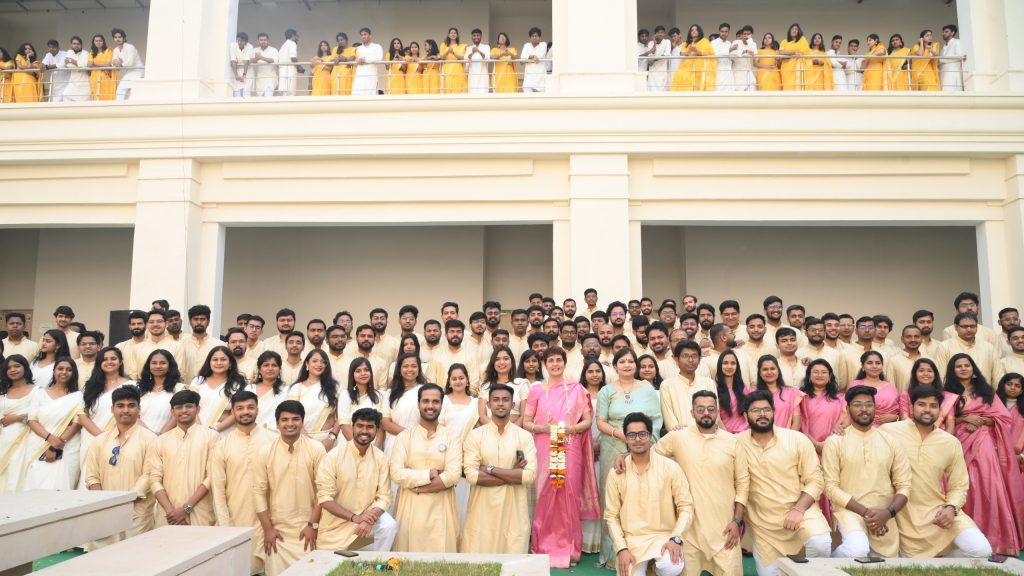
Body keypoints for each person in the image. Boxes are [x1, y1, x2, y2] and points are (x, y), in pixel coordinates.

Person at [617, 390, 743, 575]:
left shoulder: (733, 441)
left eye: (710, 409)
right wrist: (625, 455)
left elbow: (743, 483)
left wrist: (737, 521)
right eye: (700, 409)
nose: (706, 413)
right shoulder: (678, 437)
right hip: (688, 528)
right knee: (677, 567)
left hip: (724, 527)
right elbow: (648, 452)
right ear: (692, 413)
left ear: (717, 412)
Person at [881, 386, 993, 558]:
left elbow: (959, 485)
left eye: (933, 405)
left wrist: (951, 507)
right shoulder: (888, 431)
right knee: (911, 562)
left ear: (940, 410)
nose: (927, 409)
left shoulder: (950, 442)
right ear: (911, 408)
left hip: (938, 511)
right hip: (900, 513)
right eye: (922, 404)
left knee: (981, 550)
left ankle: (945, 559)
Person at [734, 390, 832, 576]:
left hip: (800, 512)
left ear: (773, 412)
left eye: (766, 409)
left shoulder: (796, 439)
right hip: (765, 526)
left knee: (821, 543)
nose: (762, 414)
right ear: (746, 415)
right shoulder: (736, 443)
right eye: (756, 410)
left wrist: (798, 509)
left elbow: (816, 480)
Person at [523, 347, 600, 568]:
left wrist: (571, 430)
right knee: (546, 494)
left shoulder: (576, 389)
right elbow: (526, 422)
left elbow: (586, 421)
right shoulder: (536, 390)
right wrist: (543, 428)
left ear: (564, 363)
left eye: (559, 360)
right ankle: (542, 547)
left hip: (569, 444)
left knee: (569, 494)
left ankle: (570, 550)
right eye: (551, 361)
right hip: (545, 444)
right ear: (544, 364)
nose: (555, 364)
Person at [945, 353, 1024, 554]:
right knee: (963, 484)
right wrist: (965, 419)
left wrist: (983, 421)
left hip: (986, 442)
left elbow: (1003, 418)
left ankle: (995, 538)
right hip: (959, 442)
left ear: (973, 369)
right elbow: (944, 417)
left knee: (989, 484)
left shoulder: (986, 391)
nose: (963, 368)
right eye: (958, 366)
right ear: (952, 371)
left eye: (967, 365)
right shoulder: (947, 391)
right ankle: (964, 539)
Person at [823, 385, 911, 559]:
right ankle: (828, 566)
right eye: (857, 405)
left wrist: (887, 514)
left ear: (875, 407)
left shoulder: (891, 441)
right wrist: (866, 513)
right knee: (857, 550)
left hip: (884, 514)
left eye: (869, 404)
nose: (864, 409)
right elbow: (830, 487)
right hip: (849, 512)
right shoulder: (835, 442)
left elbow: (905, 485)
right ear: (847, 409)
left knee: (883, 566)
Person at [605, 412, 691, 576]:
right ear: (626, 437)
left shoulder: (670, 467)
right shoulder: (616, 473)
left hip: (663, 537)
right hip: (631, 541)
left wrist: (676, 538)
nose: (637, 439)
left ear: (650, 435)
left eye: (642, 434)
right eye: (632, 434)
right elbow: (611, 515)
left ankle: (654, 569)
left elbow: (686, 505)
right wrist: (621, 549)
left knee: (672, 566)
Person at [461, 383, 537, 553]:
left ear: (513, 405)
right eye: (495, 400)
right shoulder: (476, 435)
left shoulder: (523, 436)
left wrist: (489, 469)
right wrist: (513, 474)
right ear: (488, 404)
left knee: (513, 563)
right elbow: (472, 476)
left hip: (513, 512)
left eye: (505, 400)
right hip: (482, 511)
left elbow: (529, 476)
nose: (500, 403)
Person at [253, 400, 326, 576]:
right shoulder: (265, 452)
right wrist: (268, 529)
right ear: (277, 423)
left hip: (307, 530)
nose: (290, 424)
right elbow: (258, 492)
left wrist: (313, 525)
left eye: (295, 419)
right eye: (285, 420)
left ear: (302, 422)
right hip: (278, 532)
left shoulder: (316, 449)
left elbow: (323, 491)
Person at [209, 390, 276, 573]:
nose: (245, 412)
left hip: (270, 522)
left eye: (250, 407)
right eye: (240, 408)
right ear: (233, 413)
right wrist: (225, 526)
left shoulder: (273, 440)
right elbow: (218, 489)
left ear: (257, 410)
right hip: (235, 519)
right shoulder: (222, 445)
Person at [390, 383, 462, 552]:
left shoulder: (451, 437)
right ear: (418, 404)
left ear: (441, 405)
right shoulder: (404, 437)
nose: (430, 406)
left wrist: (415, 483)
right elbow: (396, 473)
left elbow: (453, 475)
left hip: (442, 510)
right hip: (410, 511)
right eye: (426, 401)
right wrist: (430, 474)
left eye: (435, 402)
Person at [83, 385, 157, 546]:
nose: (126, 410)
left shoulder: (150, 439)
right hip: (105, 510)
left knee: (136, 558)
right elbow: (92, 476)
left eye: (131, 405)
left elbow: (149, 474)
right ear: (112, 409)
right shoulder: (100, 441)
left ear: (139, 409)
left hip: (137, 510)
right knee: (103, 559)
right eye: (120, 406)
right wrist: (103, 502)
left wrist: (126, 501)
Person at [316, 407, 397, 552]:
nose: (364, 431)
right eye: (360, 426)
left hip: (367, 519)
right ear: (352, 427)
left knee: (388, 525)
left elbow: (385, 496)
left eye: (370, 427)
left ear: (377, 430)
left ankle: (378, 566)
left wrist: (368, 518)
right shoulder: (333, 456)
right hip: (336, 526)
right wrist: (355, 518)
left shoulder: (380, 458)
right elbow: (324, 498)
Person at [148, 389, 220, 527]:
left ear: (198, 409)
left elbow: (212, 477)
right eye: (179, 407)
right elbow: (154, 479)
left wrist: (186, 508)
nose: (184, 410)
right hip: (168, 516)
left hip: (201, 513)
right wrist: (172, 512)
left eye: (189, 406)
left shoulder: (211, 437)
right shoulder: (160, 441)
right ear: (172, 412)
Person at [22, 358, 81, 490]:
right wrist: (50, 439)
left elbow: (77, 424)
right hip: (39, 445)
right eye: (60, 368)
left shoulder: (78, 396)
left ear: (74, 373)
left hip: (66, 447)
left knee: (62, 488)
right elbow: (32, 420)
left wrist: (57, 446)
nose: (64, 372)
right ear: (54, 371)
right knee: (35, 486)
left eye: (69, 369)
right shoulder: (40, 393)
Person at [287, 349, 340, 451]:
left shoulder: (335, 387)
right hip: (301, 438)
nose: (319, 364)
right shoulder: (296, 388)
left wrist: (331, 438)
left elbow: (340, 417)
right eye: (315, 361)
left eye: (323, 362)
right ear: (307, 363)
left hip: (328, 441)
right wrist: (307, 439)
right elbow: (291, 415)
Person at [190, 345, 249, 433]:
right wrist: (200, 430)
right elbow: (189, 406)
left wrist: (214, 430)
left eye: (223, 359)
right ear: (209, 363)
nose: (219, 363)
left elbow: (237, 413)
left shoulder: (237, 385)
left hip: (222, 433)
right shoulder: (198, 381)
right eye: (215, 359)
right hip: (195, 431)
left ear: (230, 363)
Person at [0, 355, 36, 493]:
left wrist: (17, 418)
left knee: (17, 472)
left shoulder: (37, 391)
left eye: (17, 366)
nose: (12, 370)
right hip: (3, 439)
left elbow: (42, 415)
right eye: (9, 368)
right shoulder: (3, 392)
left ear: (25, 368)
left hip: (25, 439)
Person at [660, 341, 713, 431]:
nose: (690, 360)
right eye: (685, 356)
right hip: (680, 437)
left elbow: (714, 413)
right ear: (677, 359)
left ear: (699, 360)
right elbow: (669, 418)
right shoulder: (667, 385)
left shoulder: (709, 383)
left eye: (694, 356)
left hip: (707, 434)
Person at [799, 359, 847, 456]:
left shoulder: (841, 398)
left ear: (830, 377)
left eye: (824, 372)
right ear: (809, 376)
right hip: (806, 447)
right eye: (816, 372)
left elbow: (844, 422)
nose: (819, 375)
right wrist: (815, 444)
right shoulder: (800, 397)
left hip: (834, 446)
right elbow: (798, 424)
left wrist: (826, 443)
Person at [478, 346, 530, 426]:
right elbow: (482, 416)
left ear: (512, 362)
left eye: (506, 358)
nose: (502, 362)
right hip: (490, 433)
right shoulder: (486, 386)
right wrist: (495, 431)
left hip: (515, 432)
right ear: (493, 363)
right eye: (497, 359)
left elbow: (523, 416)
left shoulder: (522, 384)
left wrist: (510, 432)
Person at [849, 351, 900, 426]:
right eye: (869, 363)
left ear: (882, 366)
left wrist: (895, 417)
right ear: (863, 366)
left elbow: (901, 411)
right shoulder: (855, 385)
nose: (874, 366)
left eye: (878, 363)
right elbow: (847, 410)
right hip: (862, 428)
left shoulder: (891, 387)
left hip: (890, 430)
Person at [137, 349, 183, 434]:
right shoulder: (139, 389)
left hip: (167, 437)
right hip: (140, 437)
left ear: (170, 366)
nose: (158, 366)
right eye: (154, 363)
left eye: (163, 363)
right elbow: (134, 415)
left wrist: (160, 435)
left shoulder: (179, 388)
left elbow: (179, 414)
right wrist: (149, 435)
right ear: (149, 366)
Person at [670, 25, 713, 92]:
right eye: (692, 30)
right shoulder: (686, 43)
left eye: (696, 29)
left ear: (699, 31)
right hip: (687, 68)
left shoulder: (705, 41)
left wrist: (696, 51)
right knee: (680, 77)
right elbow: (682, 54)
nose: (694, 31)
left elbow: (709, 52)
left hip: (700, 69)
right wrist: (689, 51)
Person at [110, 28, 143, 100]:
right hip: (129, 72)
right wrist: (115, 63)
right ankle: (118, 108)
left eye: (119, 37)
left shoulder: (130, 47)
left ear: (124, 38)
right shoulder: (116, 50)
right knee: (120, 90)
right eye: (115, 37)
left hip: (138, 71)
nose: (117, 39)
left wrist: (120, 64)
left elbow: (130, 63)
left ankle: (131, 107)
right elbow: (113, 62)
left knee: (134, 90)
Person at [352, 28, 383, 96]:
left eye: (365, 34)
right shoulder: (358, 48)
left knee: (370, 96)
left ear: (370, 35)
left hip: (371, 75)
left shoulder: (377, 47)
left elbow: (379, 58)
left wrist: (365, 59)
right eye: (362, 35)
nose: (363, 36)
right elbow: (355, 60)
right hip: (359, 74)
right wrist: (357, 60)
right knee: (357, 95)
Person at [779, 23, 809, 91]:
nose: (794, 30)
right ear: (789, 31)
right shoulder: (784, 41)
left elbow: (806, 54)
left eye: (796, 29)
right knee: (787, 88)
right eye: (792, 29)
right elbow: (781, 52)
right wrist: (794, 52)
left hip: (798, 67)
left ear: (799, 32)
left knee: (798, 87)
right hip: (787, 68)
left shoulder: (802, 40)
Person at [61, 36, 90, 102]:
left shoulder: (85, 53)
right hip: (73, 83)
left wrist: (71, 60)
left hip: (84, 83)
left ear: (81, 45)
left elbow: (85, 65)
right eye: (74, 44)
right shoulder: (69, 52)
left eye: (78, 44)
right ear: (71, 45)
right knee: (66, 96)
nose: (76, 45)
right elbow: (69, 66)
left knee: (83, 105)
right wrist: (80, 65)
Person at [88, 34, 115, 100]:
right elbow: (89, 65)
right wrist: (102, 65)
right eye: (96, 41)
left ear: (103, 42)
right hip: (95, 77)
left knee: (106, 96)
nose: (98, 42)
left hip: (106, 78)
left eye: (100, 41)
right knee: (96, 95)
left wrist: (94, 63)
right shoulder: (91, 53)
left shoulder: (109, 51)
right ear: (93, 42)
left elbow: (108, 64)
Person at [730, 25, 757, 91]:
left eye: (748, 34)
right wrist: (743, 52)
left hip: (748, 71)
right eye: (744, 34)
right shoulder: (736, 42)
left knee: (751, 89)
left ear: (751, 35)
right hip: (737, 71)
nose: (746, 36)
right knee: (738, 91)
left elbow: (755, 54)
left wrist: (749, 41)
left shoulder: (752, 43)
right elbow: (731, 55)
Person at [251, 33, 278, 97]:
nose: (263, 41)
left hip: (271, 78)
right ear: (258, 41)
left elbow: (273, 60)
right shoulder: (254, 50)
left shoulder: (273, 50)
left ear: (268, 41)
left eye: (265, 40)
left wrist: (261, 57)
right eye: (261, 40)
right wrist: (256, 59)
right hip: (259, 78)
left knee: (268, 96)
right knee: (261, 98)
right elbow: (250, 60)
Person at [646, 26, 672, 92]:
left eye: (662, 32)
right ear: (655, 34)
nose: (660, 34)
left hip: (662, 72)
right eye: (658, 32)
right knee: (652, 91)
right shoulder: (650, 43)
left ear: (664, 34)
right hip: (653, 73)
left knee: (663, 91)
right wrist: (654, 43)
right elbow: (650, 61)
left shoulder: (667, 42)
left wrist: (655, 59)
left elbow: (667, 54)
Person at [521, 27, 547, 93]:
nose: (534, 37)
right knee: (528, 99)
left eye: (536, 36)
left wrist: (527, 58)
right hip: (529, 78)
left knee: (541, 101)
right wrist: (532, 56)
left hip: (540, 78)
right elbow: (522, 60)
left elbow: (538, 58)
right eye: (532, 36)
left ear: (539, 37)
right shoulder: (526, 45)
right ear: (530, 37)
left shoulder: (543, 45)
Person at [939, 24, 964, 91]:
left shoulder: (957, 42)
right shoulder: (942, 48)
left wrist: (942, 59)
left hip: (953, 74)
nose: (944, 33)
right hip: (943, 75)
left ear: (952, 33)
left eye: (946, 32)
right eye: (943, 32)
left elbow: (959, 56)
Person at [230, 32, 254, 97]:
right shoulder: (233, 45)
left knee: (246, 92)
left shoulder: (250, 46)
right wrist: (236, 75)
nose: (239, 42)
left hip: (247, 71)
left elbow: (246, 60)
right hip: (236, 70)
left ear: (246, 42)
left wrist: (244, 75)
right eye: (238, 40)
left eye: (242, 41)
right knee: (236, 91)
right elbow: (233, 60)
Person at [277, 29, 300, 97]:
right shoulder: (292, 43)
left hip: (282, 72)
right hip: (289, 71)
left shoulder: (283, 46)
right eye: (297, 36)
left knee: (285, 94)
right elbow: (293, 58)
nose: (298, 38)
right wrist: (300, 67)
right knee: (291, 93)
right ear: (293, 35)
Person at [710, 23, 732, 91]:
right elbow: (715, 55)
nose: (724, 33)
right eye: (722, 31)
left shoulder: (729, 43)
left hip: (728, 71)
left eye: (726, 31)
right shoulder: (714, 43)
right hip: (718, 70)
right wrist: (730, 50)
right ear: (719, 32)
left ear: (728, 32)